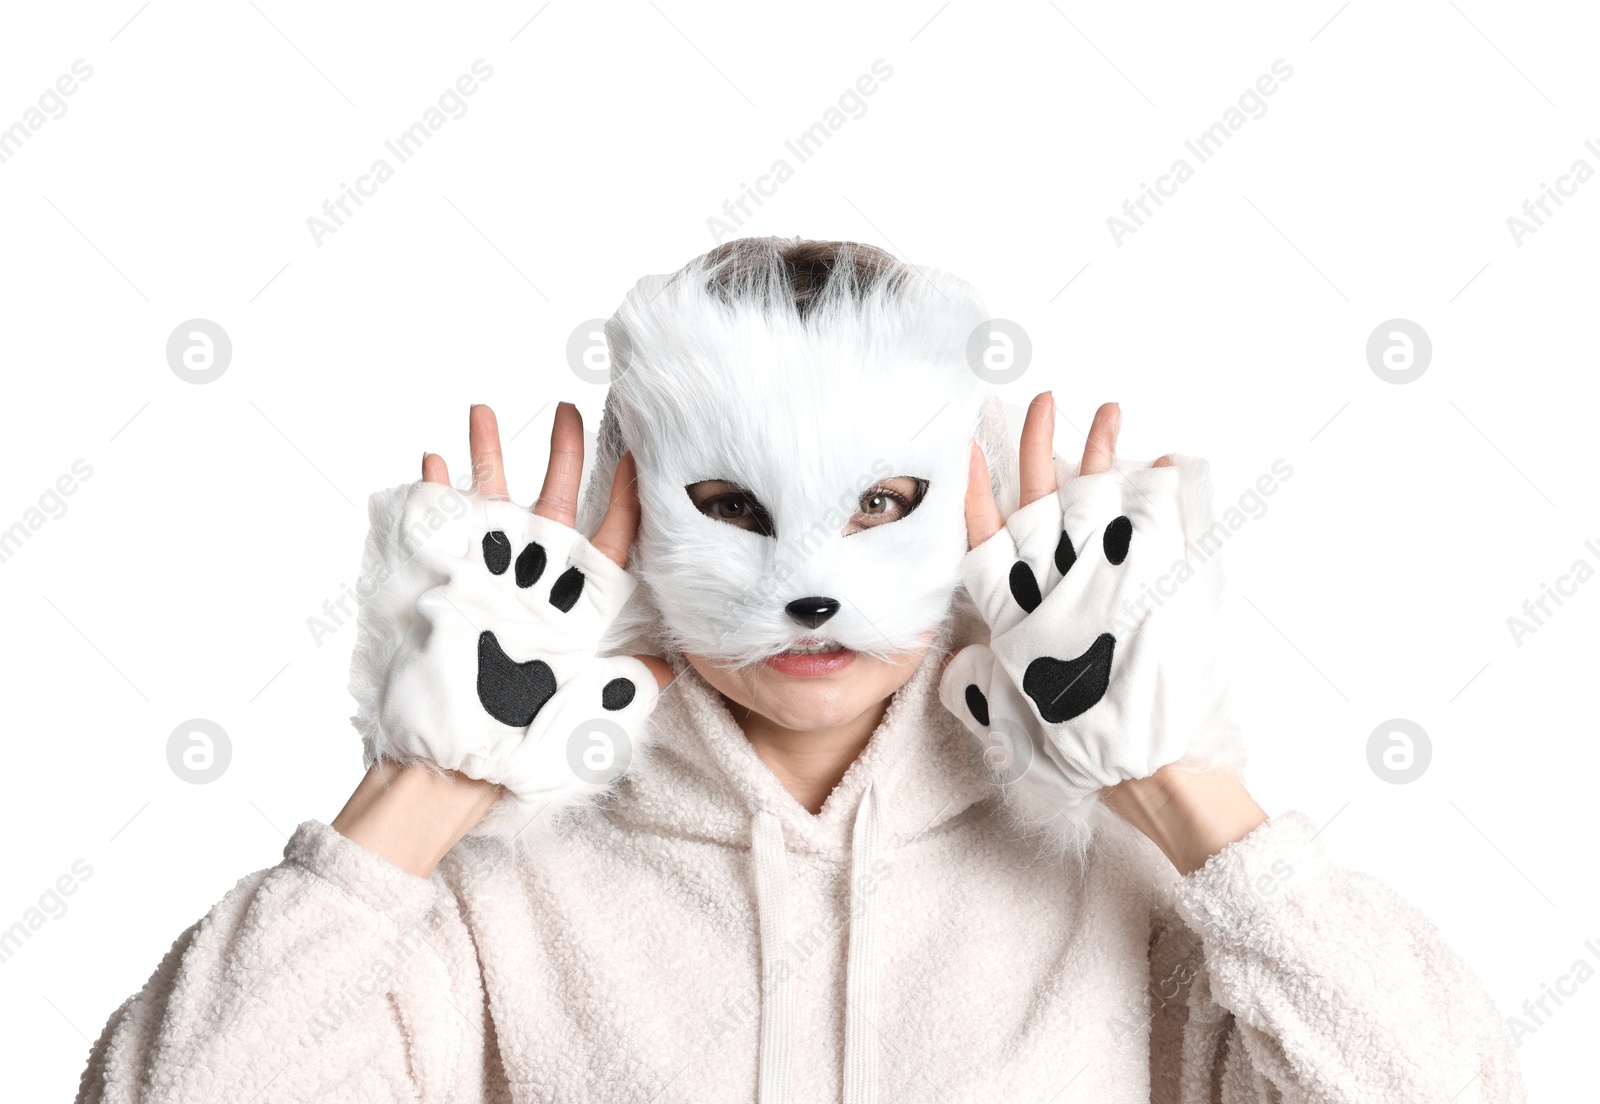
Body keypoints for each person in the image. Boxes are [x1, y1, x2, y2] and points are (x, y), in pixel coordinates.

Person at [75, 238, 1525, 1103]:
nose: (810, 585)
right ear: (633, 504)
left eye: (882, 505)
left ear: (960, 487)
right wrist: (424, 788)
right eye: (736, 511)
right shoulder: (498, 885)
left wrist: (1176, 774)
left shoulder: (1118, 867)